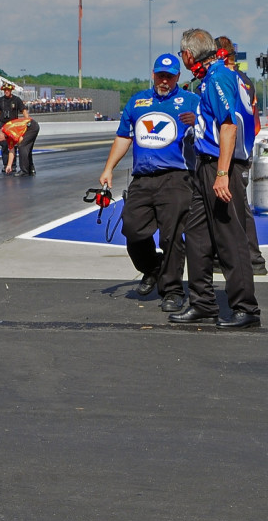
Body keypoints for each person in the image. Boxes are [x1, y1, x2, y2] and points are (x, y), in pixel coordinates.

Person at [170, 29, 261, 329]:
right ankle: (203, 303)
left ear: (188, 54)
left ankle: (246, 307)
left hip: (220, 167)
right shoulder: (210, 79)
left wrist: (222, 174)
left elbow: (229, 127)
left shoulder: (218, 77)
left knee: (229, 238)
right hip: (204, 165)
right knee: (195, 235)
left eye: (182, 53)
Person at [98, 54, 198, 311]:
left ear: (178, 76)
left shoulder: (190, 101)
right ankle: (153, 268)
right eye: (160, 75)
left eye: (170, 76)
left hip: (176, 177)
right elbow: (123, 137)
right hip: (142, 178)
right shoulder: (138, 101)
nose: (164, 80)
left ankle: (173, 290)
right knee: (132, 228)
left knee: (171, 235)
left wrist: (199, 123)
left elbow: (213, 130)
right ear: (153, 74)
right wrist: (109, 168)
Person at [215, 36, 268, 277]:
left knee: (237, 206)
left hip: (230, 151)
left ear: (219, 56)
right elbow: (255, 124)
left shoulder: (225, 79)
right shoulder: (247, 81)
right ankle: (243, 256)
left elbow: (224, 119)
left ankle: (253, 258)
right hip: (243, 149)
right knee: (235, 205)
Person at [0, 83, 29, 175]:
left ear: (11, 90)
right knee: (4, 145)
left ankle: (13, 165)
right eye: (5, 90)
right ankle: (5, 165)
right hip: (3, 125)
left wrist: (27, 120)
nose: (6, 91)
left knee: (13, 146)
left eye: (8, 90)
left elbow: (23, 110)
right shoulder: (0, 100)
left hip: (13, 126)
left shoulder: (16, 100)